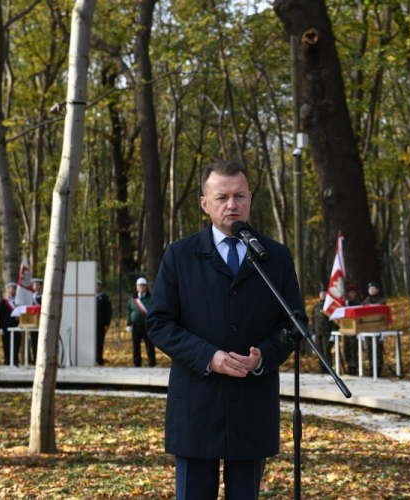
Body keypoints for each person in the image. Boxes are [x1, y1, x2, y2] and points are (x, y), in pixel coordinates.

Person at [147, 160, 302, 500]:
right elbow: (158, 323)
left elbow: (294, 322)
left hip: (252, 405)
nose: (232, 204)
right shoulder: (179, 256)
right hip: (196, 406)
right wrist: (209, 356)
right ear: (205, 204)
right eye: (222, 197)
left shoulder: (275, 256)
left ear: (249, 199)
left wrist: (264, 356)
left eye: (239, 196)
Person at [127, 277, 154, 367]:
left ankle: (152, 363)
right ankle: (137, 363)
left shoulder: (150, 298)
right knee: (136, 345)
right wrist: (128, 324)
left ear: (146, 287)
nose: (142, 287)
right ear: (137, 287)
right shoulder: (133, 299)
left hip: (147, 325)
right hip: (135, 325)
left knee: (149, 345)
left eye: (143, 286)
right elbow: (129, 311)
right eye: (140, 286)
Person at [311, 286, 335, 370]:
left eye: (324, 293)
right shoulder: (316, 306)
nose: (322, 295)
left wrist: (333, 333)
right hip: (318, 332)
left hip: (327, 333)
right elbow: (313, 320)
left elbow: (334, 321)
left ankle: (328, 368)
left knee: (327, 351)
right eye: (321, 293)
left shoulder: (330, 306)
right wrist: (313, 333)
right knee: (319, 351)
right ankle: (322, 367)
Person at [0, 282, 20, 366]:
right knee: (6, 345)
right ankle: (7, 361)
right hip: (6, 327)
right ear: (8, 290)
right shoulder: (4, 302)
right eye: (10, 288)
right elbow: (0, 315)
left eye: (14, 288)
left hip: (17, 326)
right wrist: (0, 327)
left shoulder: (19, 301)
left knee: (16, 344)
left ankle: (15, 361)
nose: (12, 290)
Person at [343, 283, 360, 374]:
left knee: (354, 350)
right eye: (349, 293)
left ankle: (354, 367)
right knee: (347, 350)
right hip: (346, 330)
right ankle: (349, 366)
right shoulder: (344, 304)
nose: (351, 295)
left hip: (355, 330)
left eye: (352, 293)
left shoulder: (359, 303)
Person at [96, 280, 112, 365]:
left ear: (100, 286)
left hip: (101, 324)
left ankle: (99, 359)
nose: (96, 287)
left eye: (97, 285)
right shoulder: (90, 296)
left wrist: (107, 323)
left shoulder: (105, 298)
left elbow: (108, 312)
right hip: (91, 325)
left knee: (100, 342)